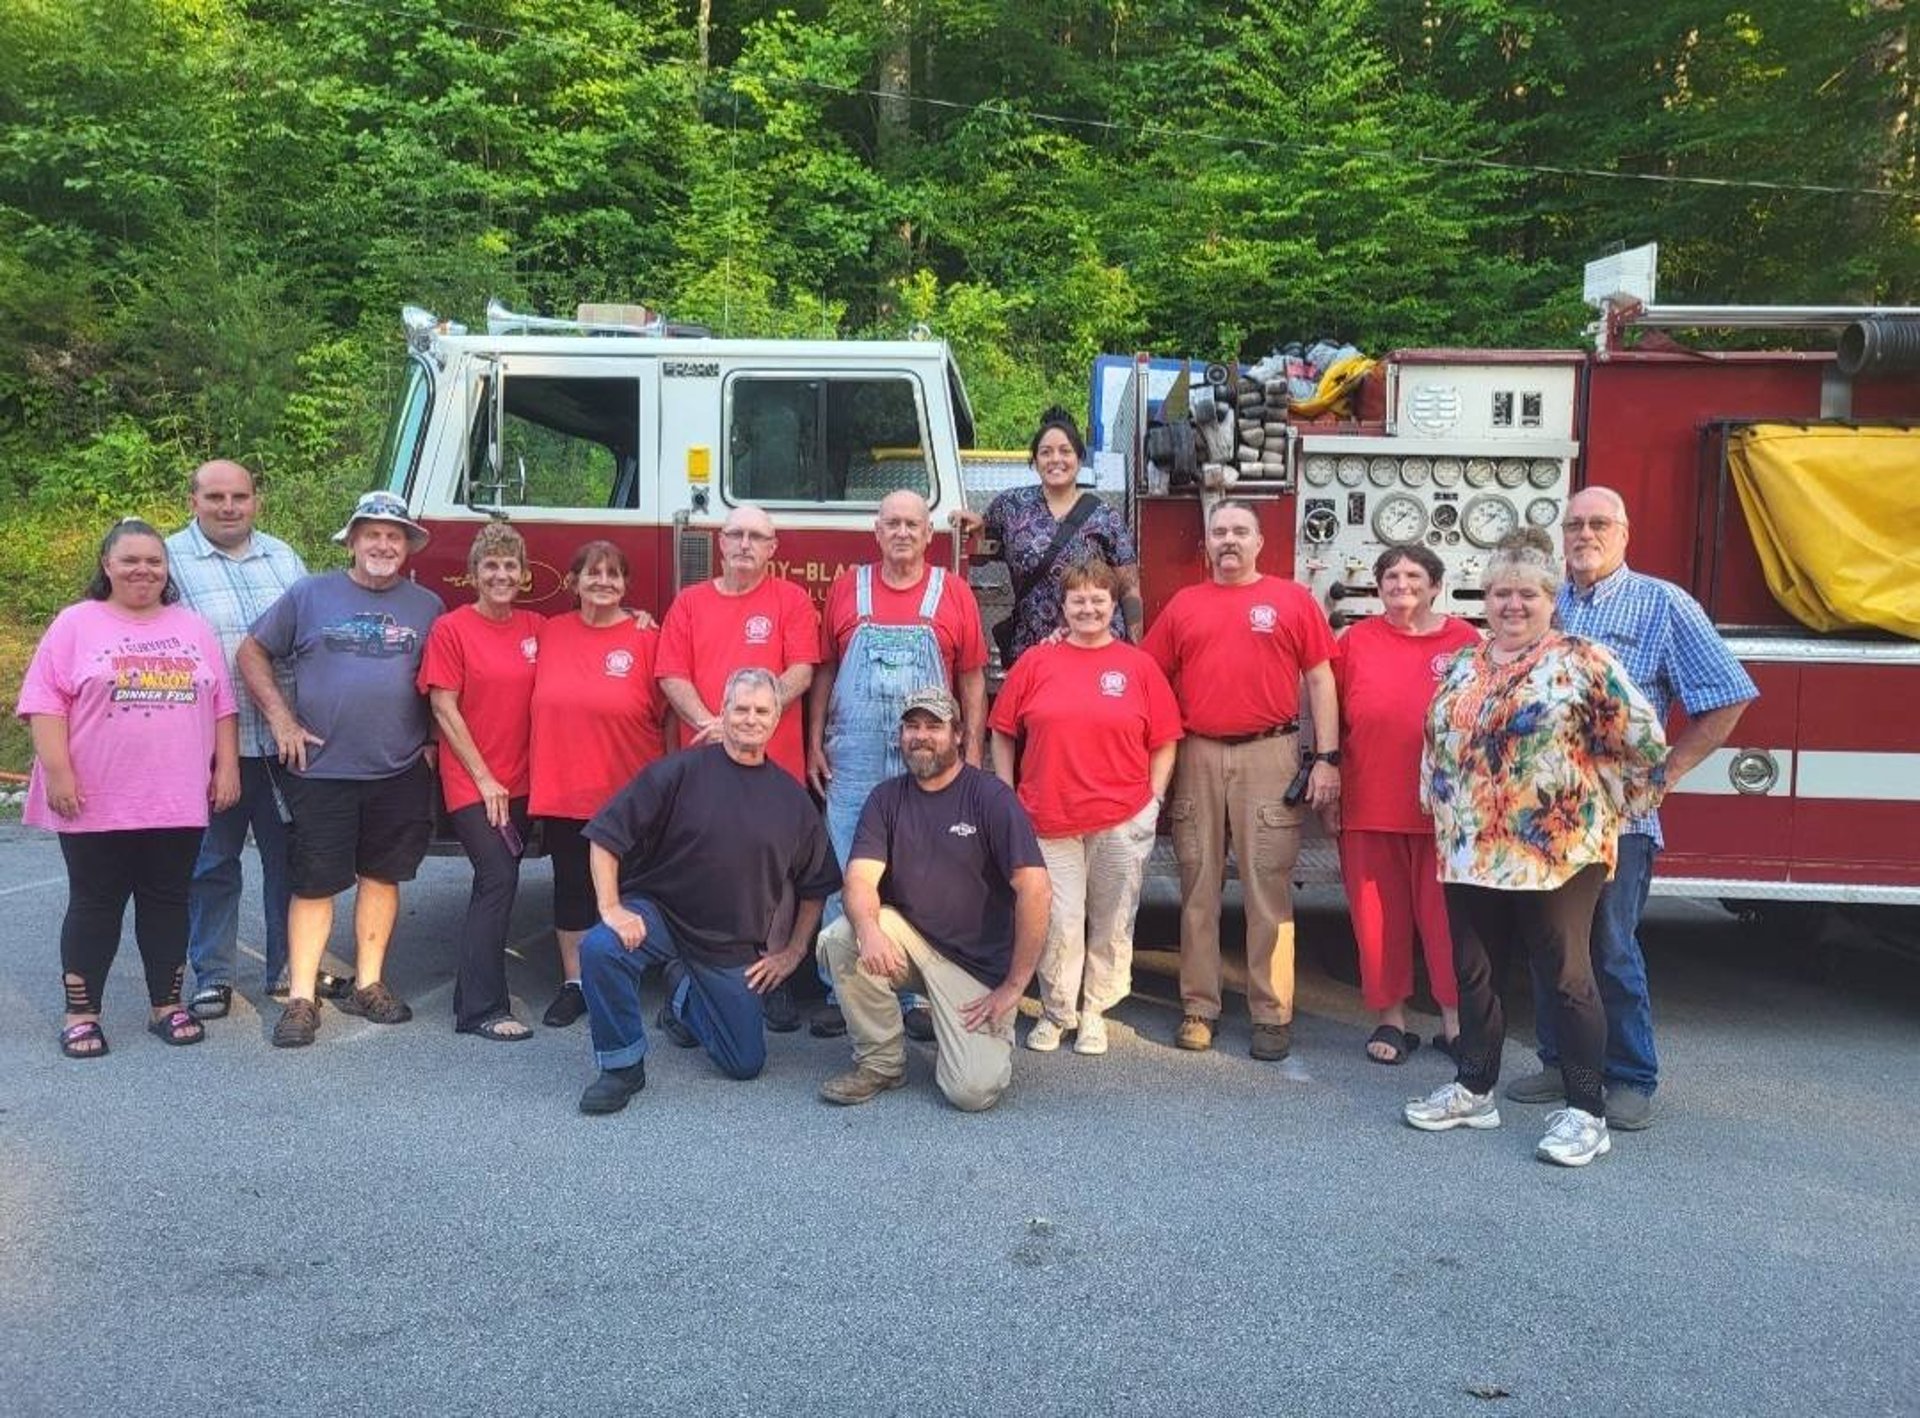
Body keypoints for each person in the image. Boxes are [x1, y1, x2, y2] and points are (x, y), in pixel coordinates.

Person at [1404, 528, 1668, 1168]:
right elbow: (1438, 740)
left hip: (1557, 850)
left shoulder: (1582, 659)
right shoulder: (1468, 660)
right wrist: (1438, 806)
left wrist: (1615, 808)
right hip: (1470, 847)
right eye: (1499, 594)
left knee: (1568, 977)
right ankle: (1474, 1088)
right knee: (1475, 973)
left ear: (1551, 599)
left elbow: (1644, 741)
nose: (1511, 605)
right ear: (1484, 600)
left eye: (1525, 593)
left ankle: (1586, 1112)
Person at [1501, 486, 1759, 1130]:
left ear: (1625, 533)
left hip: (1621, 817)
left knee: (1610, 946)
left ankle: (1631, 1076)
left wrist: (1668, 771)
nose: (1584, 535)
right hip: (1545, 816)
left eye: (1599, 524)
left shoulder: (1664, 603)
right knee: (1548, 946)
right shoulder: (1548, 602)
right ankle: (1561, 1061)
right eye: (1574, 524)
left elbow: (1728, 695)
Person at [573, 669, 840, 1116]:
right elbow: (605, 836)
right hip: (661, 914)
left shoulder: (792, 800)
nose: (750, 719)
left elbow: (815, 885)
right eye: (741, 709)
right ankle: (621, 1066)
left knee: (745, 1063)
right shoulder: (678, 772)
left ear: (777, 719)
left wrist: (792, 953)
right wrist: (611, 907)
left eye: (761, 711)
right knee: (602, 947)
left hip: (729, 943)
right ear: (722, 712)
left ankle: (681, 996)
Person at [19, 519, 239, 1057]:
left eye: (154, 561)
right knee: (96, 903)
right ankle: (81, 1013)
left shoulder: (192, 628)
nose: (143, 570)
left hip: (175, 796)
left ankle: (166, 1005)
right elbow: (45, 703)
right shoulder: (75, 624)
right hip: (94, 797)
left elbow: (222, 706)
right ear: (107, 566)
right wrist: (59, 773)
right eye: (130, 560)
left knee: (167, 902)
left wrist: (226, 767)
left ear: (168, 570)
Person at [238, 490, 444, 1049]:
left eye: (394, 535)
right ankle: (301, 997)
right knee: (314, 883)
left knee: (383, 876)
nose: (383, 543)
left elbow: (444, 680)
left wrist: (431, 739)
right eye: (372, 533)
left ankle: (370, 983)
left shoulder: (428, 607)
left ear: (406, 546)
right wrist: (280, 719)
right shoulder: (309, 594)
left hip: (398, 769)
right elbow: (251, 651)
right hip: (321, 768)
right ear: (351, 540)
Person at [1141, 499, 1340, 1061]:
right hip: (1198, 752)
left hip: (1270, 754)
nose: (1229, 540)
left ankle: (1271, 1013)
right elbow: (1148, 675)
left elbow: (1321, 681)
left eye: (1240, 531)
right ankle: (1199, 1007)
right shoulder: (1185, 606)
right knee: (1197, 887)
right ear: (1208, 544)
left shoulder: (1291, 601)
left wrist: (1327, 757)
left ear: (1259, 542)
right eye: (1220, 532)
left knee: (1266, 889)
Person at [805, 489, 989, 1040]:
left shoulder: (952, 592)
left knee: (921, 872)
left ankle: (914, 993)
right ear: (877, 531)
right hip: (854, 755)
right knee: (846, 869)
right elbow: (826, 670)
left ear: (928, 535)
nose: (903, 532)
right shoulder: (847, 588)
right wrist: (814, 739)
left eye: (913, 523)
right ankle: (842, 988)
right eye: (893, 523)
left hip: (929, 752)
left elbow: (973, 676)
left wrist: (972, 748)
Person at [816, 687, 1049, 1112]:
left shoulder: (990, 798)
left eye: (934, 726)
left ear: (959, 735)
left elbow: (1035, 889)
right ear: (901, 735)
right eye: (912, 726)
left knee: (972, 1092)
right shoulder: (886, 798)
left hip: (976, 968)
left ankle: (964, 1035)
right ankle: (881, 1063)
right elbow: (860, 879)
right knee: (840, 936)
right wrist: (868, 930)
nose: (921, 736)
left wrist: (1015, 986)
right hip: (912, 945)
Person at [989, 560, 1181, 1056]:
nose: (1089, 608)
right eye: (1079, 600)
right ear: (1064, 606)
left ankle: (1095, 1009)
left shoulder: (1138, 666)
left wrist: (1153, 801)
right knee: (1058, 918)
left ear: (1113, 607)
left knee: (1113, 917)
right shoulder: (1036, 661)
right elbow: (1003, 730)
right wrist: (1008, 796)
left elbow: (1164, 739)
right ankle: (1057, 1012)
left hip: (1121, 814)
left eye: (1099, 599)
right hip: (1047, 816)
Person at [165, 459, 317, 1020]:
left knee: (290, 861)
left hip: (285, 741)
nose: (228, 507)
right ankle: (214, 974)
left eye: (239, 497)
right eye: (215, 497)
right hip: (208, 748)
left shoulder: (284, 557)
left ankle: (286, 969)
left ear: (256, 500)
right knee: (212, 863)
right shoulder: (167, 560)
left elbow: (309, 638)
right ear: (193, 501)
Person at [1329, 545, 1481, 1064]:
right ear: (1377, 587)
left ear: (1437, 585)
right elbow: (1332, 714)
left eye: (1414, 575)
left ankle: (1456, 1024)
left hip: (1445, 811)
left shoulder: (1465, 641)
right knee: (1378, 921)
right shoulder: (1356, 641)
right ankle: (1390, 1021)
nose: (1401, 584)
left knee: (1448, 923)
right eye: (1390, 576)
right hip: (1370, 800)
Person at [527, 541, 669, 1031]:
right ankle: (576, 984)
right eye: (593, 573)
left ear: (626, 586)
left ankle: (625, 973)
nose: (603, 582)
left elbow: (667, 713)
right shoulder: (548, 632)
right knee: (573, 888)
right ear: (573, 582)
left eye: (614, 574)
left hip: (631, 789)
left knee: (635, 888)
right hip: (566, 785)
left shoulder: (649, 637)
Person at [418, 524, 544, 1041]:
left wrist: (639, 617)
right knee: (498, 880)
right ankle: (482, 1010)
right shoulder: (452, 629)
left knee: (496, 881)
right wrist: (485, 778)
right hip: (475, 782)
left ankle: (469, 990)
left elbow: (592, 635)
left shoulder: (537, 626)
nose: (500, 574)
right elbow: (442, 706)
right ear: (473, 574)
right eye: (490, 566)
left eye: (510, 565)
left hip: (523, 781)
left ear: (525, 575)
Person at [953, 407, 1139, 664]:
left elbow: (1129, 589)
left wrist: (1134, 650)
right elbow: (981, 556)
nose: (1056, 459)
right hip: (1033, 650)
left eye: (1065, 451)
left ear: (1080, 459)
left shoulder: (1105, 516)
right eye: (1046, 452)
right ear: (1034, 460)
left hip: (1095, 648)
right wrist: (974, 529)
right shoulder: (1009, 506)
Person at [656, 504, 819, 783]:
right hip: (705, 763)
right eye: (735, 535)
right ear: (721, 542)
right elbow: (672, 676)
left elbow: (802, 673)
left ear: (772, 547)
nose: (744, 544)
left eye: (755, 537)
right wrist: (715, 726)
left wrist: (741, 725)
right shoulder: (688, 602)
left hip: (774, 771)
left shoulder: (794, 599)